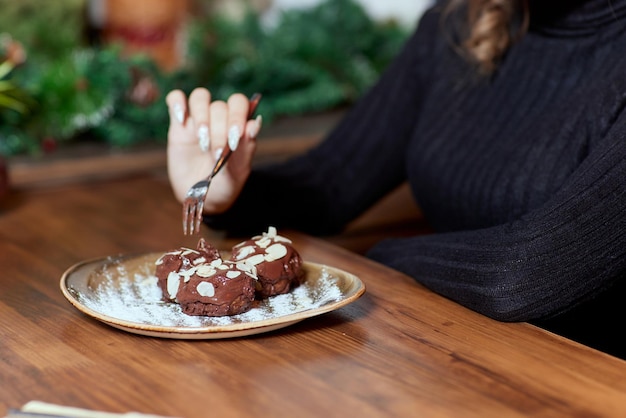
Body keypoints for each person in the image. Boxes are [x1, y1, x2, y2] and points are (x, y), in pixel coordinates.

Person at [165, 0, 626, 358]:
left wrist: (379, 258)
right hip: (459, 359)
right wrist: (226, 192)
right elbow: (330, 183)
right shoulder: (457, 22)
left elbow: (527, 275)